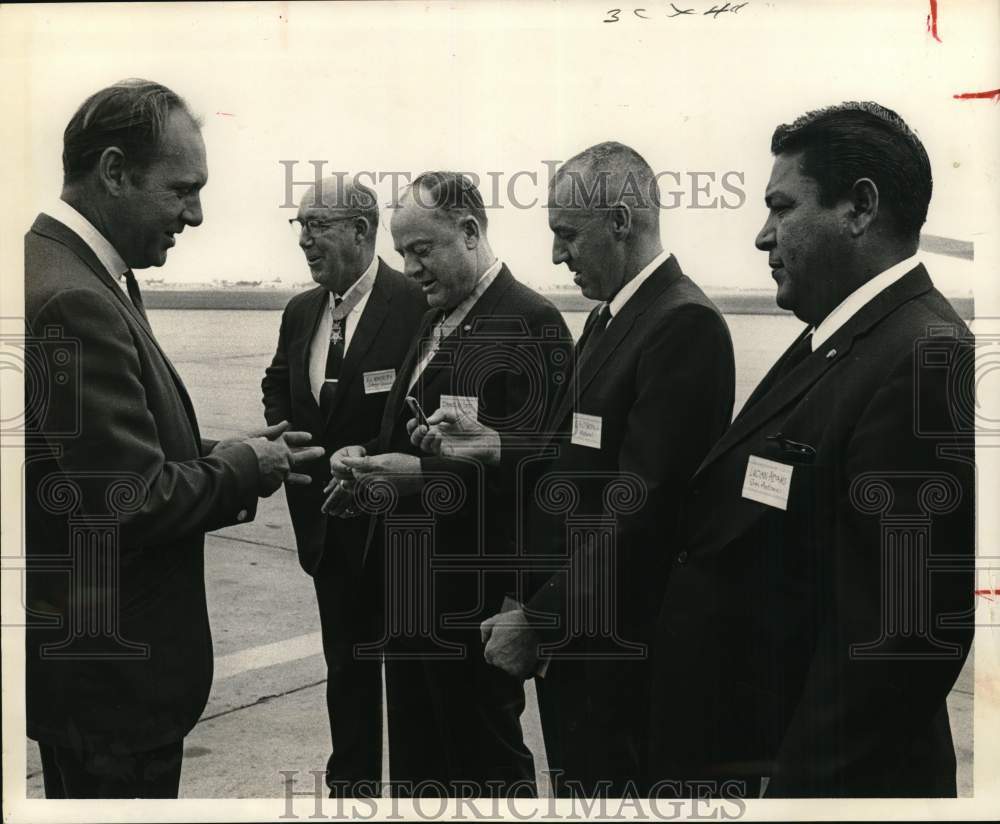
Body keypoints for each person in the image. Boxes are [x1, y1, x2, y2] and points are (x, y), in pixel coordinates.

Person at [648, 101, 975, 797]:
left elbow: (897, 645)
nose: (764, 237)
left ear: (859, 207)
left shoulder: (923, 357)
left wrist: (795, 799)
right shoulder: (837, 334)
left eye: (781, 207)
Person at [24, 79, 324, 799]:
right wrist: (243, 469)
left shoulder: (67, 271)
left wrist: (216, 450)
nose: (194, 214)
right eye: (181, 189)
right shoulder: (74, 298)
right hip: (113, 688)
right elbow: (128, 499)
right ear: (116, 171)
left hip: (81, 673)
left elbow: (94, 462)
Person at [413, 143, 736, 797]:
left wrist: (542, 620)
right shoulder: (612, 318)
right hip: (582, 644)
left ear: (620, 220)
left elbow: (642, 508)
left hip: (617, 654)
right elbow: (581, 457)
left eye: (567, 235)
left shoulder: (682, 325)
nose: (558, 255)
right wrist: (496, 445)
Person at [325, 171, 572, 796]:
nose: (409, 268)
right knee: (416, 764)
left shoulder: (532, 322)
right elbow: (406, 437)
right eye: (403, 253)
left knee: (484, 764)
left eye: (422, 250)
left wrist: (420, 478)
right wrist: (368, 465)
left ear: (470, 231)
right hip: (407, 593)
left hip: (476, 604)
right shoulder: (434, 315)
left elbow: (546, 474)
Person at [261, 177, 426, 796]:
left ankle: (414, 798)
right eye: (299, 226)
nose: (304, 239)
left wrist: (383, 468)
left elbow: (426, 406)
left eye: (317, 226)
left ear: (360, 231)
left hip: (398, 532)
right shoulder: (302, 310)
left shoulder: (414, 300)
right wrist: (289, 441)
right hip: (326, 528)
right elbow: (278, 380)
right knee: (346, 672)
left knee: (411, 681)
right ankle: (351, 792)